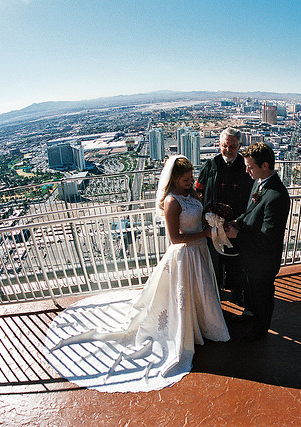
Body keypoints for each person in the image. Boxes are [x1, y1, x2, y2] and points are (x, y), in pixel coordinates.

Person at [46, 155, 229, 392]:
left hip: (199, 252)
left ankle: (202, 325)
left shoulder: (191, 195)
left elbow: (196, 215)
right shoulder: (172, 202)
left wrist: (211, 219)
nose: (190, 182)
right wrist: (204, 234)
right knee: (183, 296)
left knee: (201, 291)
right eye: (186, 179)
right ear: (174, 179)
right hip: (185, 255)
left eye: (190, 178)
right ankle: (185, 330)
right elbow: (175, 239)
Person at [225, 142, 290, 343]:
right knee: (251, 291)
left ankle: (260, 331)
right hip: (251, 255)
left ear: (265, 165)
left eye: (250, 167)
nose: (247, 171)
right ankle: (249, 313)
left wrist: (238, 235)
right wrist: (238, 221)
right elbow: (250, 211)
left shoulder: (277, 196)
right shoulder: (260, 182)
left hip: (263, 260)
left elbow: (268, 239)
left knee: (263, 296)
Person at [196, 127, 253, 307]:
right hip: (212, 225)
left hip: (236, 225)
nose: (228, 150)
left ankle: (237, 293)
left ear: (239, 146)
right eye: (224, 145)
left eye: (232, 146)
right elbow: (199, 191)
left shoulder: (245, 167)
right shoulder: (210, 165)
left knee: (237, 261)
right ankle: (215, 295)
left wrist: (239, 221)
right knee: (214, 261)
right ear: (219, 144)